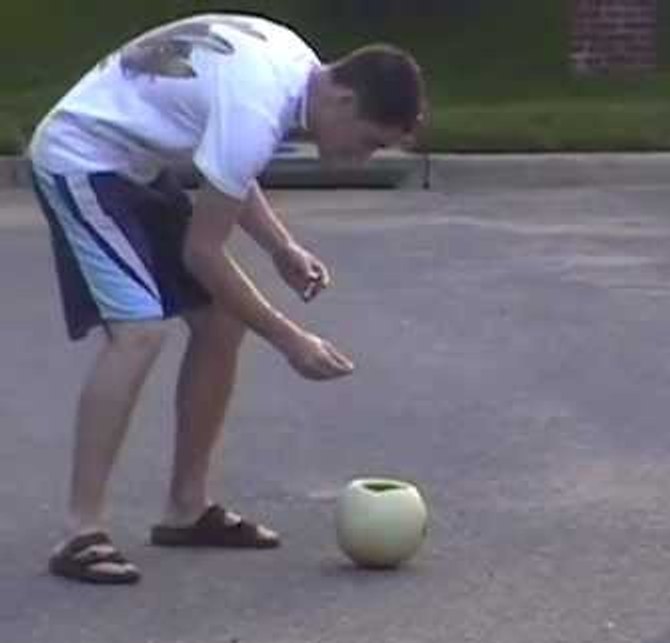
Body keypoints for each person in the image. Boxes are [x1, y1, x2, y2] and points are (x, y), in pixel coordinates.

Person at [28, 13, 426, 584]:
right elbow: (203, 253)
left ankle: (187, 509)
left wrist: (282, 247)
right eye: (369, 142)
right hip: (81, 159)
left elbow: (230, 166)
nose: (363, 158)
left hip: (137, 165)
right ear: (343, 99)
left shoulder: (294, 66)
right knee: (138, 332)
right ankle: (80, 531)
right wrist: (292, 340)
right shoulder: (259, 105)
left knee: (220, 320)